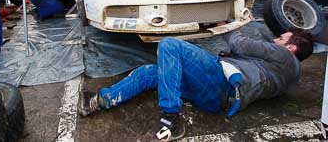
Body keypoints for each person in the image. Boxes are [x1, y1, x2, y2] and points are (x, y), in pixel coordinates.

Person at [78, 28, 313, 141]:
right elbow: (252, 69)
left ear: (292, 47)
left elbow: (241, 43)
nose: (274, 40)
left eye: (281, 39)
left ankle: (171, 116)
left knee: (170, 45)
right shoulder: (289, 74)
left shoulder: (284, 57)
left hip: (221, 83)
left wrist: (228, 21)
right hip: (217, 97)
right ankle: (100, 100)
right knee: (150, 73)